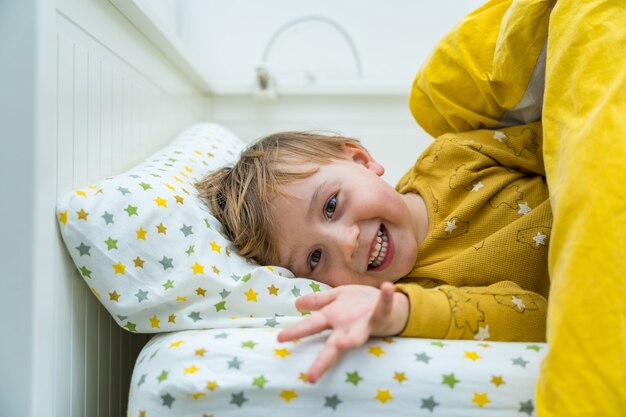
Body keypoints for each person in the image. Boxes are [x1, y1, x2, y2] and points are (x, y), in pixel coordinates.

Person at [195, 122, 551, 383]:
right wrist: (404, 311)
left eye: (331, 205)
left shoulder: (453, 158)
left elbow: (567, 133)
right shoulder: (418, 296)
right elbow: (539, 316)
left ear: (362, 160)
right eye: (316, 258)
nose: (346, 243)